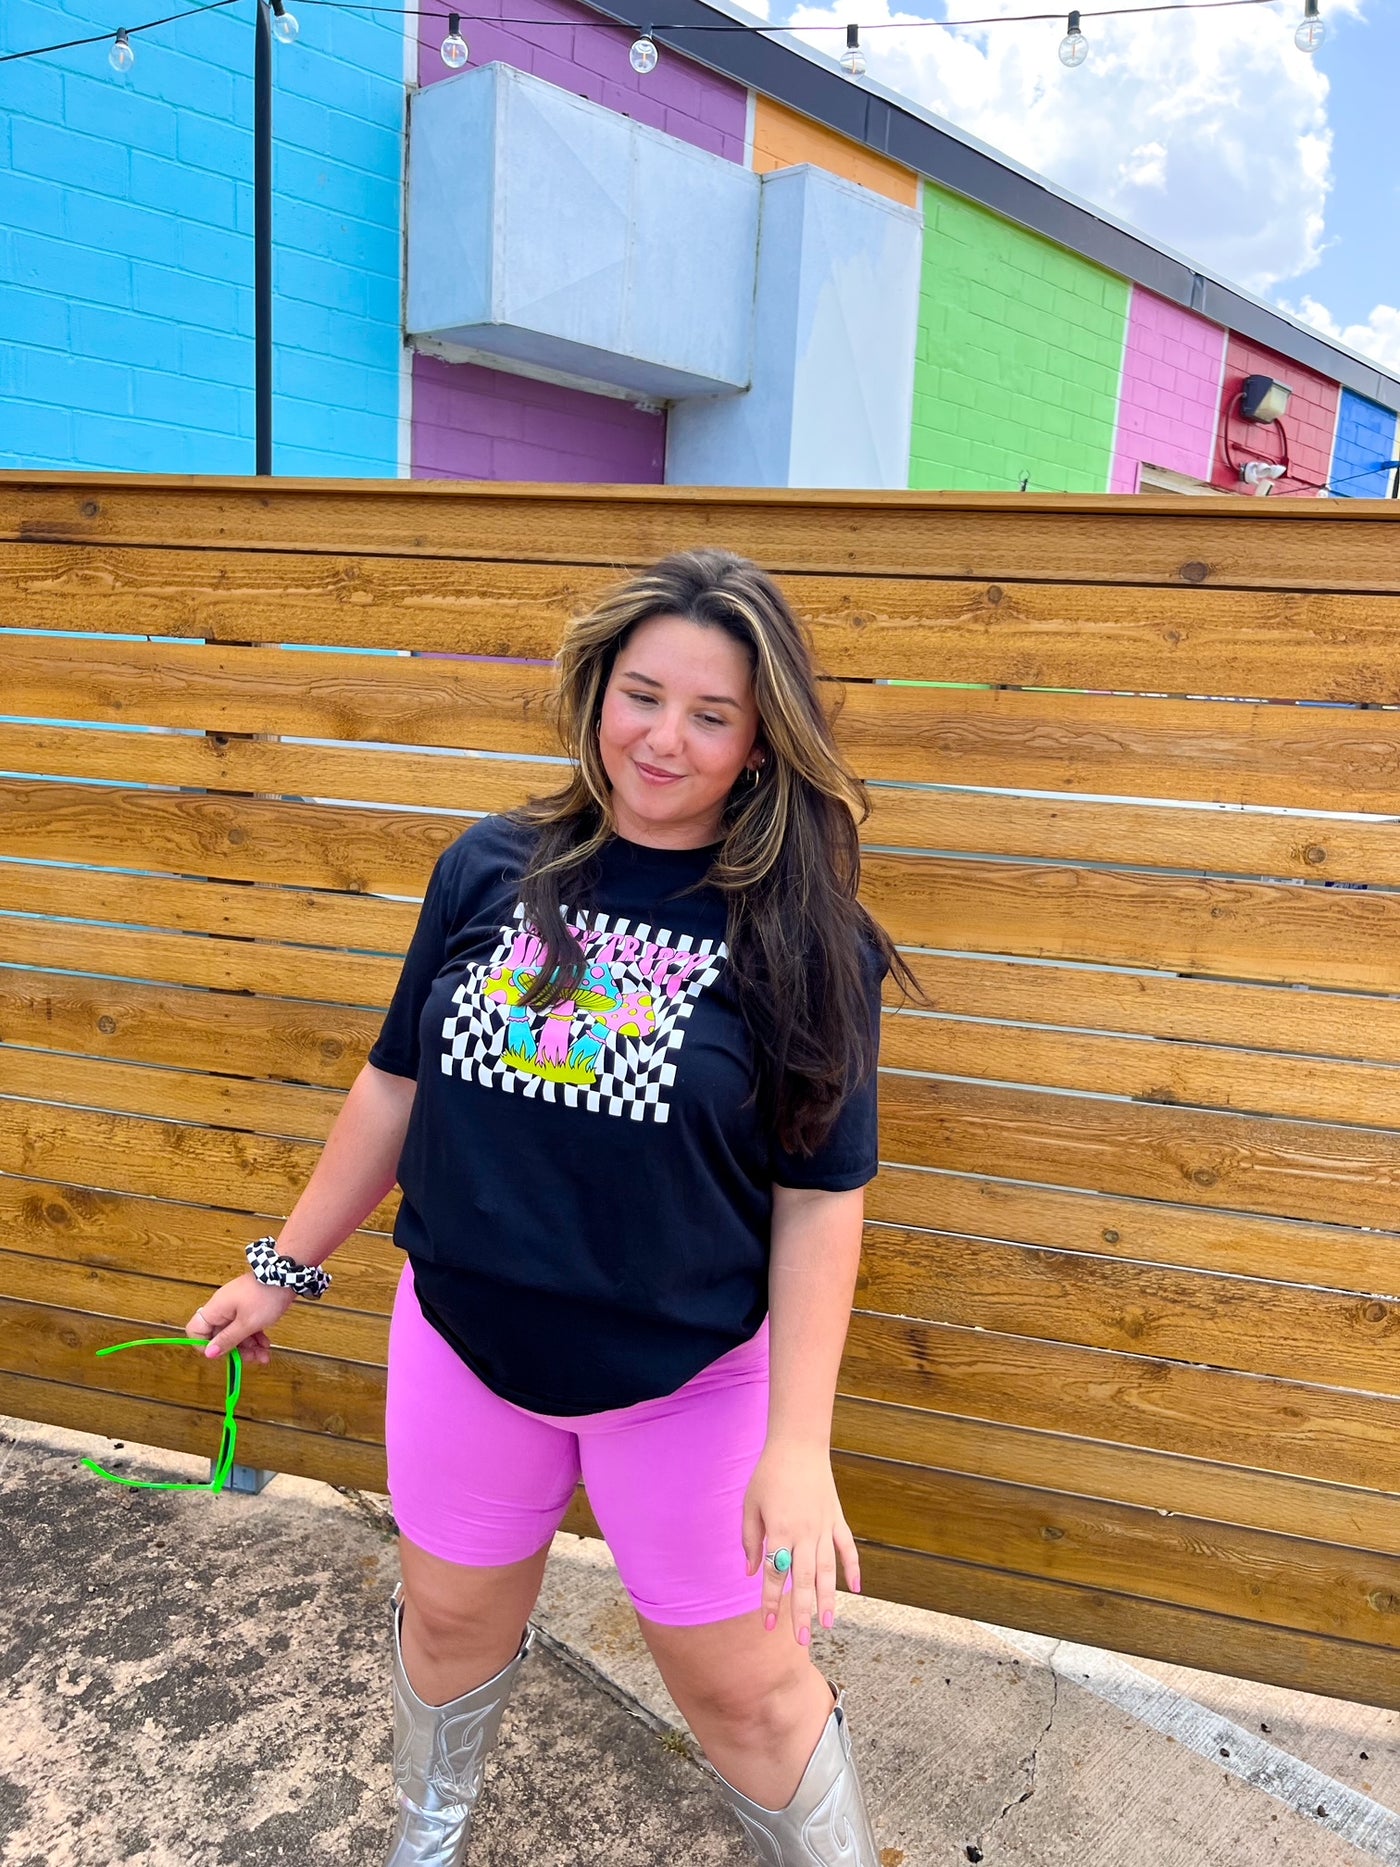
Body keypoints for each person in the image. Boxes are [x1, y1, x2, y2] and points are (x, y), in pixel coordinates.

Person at [186, 548, 917, 1866]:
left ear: (760, 744)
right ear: (597, 693)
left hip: (689, 1387)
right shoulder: (488, 869)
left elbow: (820, 1200)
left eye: (711, 714)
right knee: (448, 1624)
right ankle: (425, 1841)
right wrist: (280, 1268)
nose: (664, 738)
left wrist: (799, 1447)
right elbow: (395, 1084)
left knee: (744, 1695)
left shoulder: (804, 936)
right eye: (644, 696)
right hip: (465, 1351)